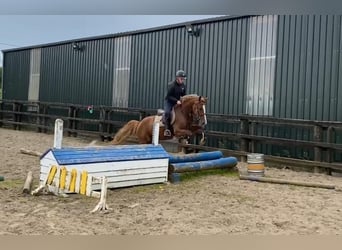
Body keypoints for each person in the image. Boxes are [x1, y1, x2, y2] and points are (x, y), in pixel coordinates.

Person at [163, 69, 187, 136]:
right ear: (177, 78)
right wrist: (176, 101)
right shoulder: (171, 85)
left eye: (183, 79)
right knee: (167, 112)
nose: (182, 80)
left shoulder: (183, 86)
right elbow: (168, 96)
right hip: (170, 102)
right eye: (181, 79)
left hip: (178, 102)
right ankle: (167, 129)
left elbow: (184, 95)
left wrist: (183, 100)